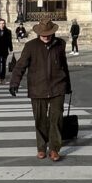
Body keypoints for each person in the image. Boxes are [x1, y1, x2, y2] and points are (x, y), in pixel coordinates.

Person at [9, 20, 71, 162]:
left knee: (56, 118)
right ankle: (42, 148)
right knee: (40, 119)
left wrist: (68, 85)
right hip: (38, 87)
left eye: (48, 34)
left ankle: (54, 148)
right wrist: (14, 83)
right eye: (43, 35)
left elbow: (64, 65)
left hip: (57, 86)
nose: (46, 37)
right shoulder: (30, 46)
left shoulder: (60, 44)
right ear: (38, 34)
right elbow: (20, 66)